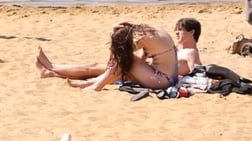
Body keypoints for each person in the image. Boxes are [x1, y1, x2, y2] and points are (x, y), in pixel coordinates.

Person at [35, 22, 180, 91]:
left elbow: (119, 57)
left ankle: (96, 85)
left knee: (123, 62)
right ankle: (50, 70)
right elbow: (142, 57)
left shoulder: (141, 39)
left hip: (161, 79)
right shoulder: (150, 30)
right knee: (95, 66)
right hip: (161, 76)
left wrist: (117, 68)